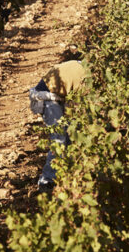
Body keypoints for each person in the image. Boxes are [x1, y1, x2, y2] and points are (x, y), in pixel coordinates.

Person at [28, 50, 86, 193]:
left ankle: (66, 172)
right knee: (59, 138)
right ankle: (46, 181)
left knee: (68, 136)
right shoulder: (86, 78)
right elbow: (81, 106)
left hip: (56, 95)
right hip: (45, 97)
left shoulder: (82, 67)